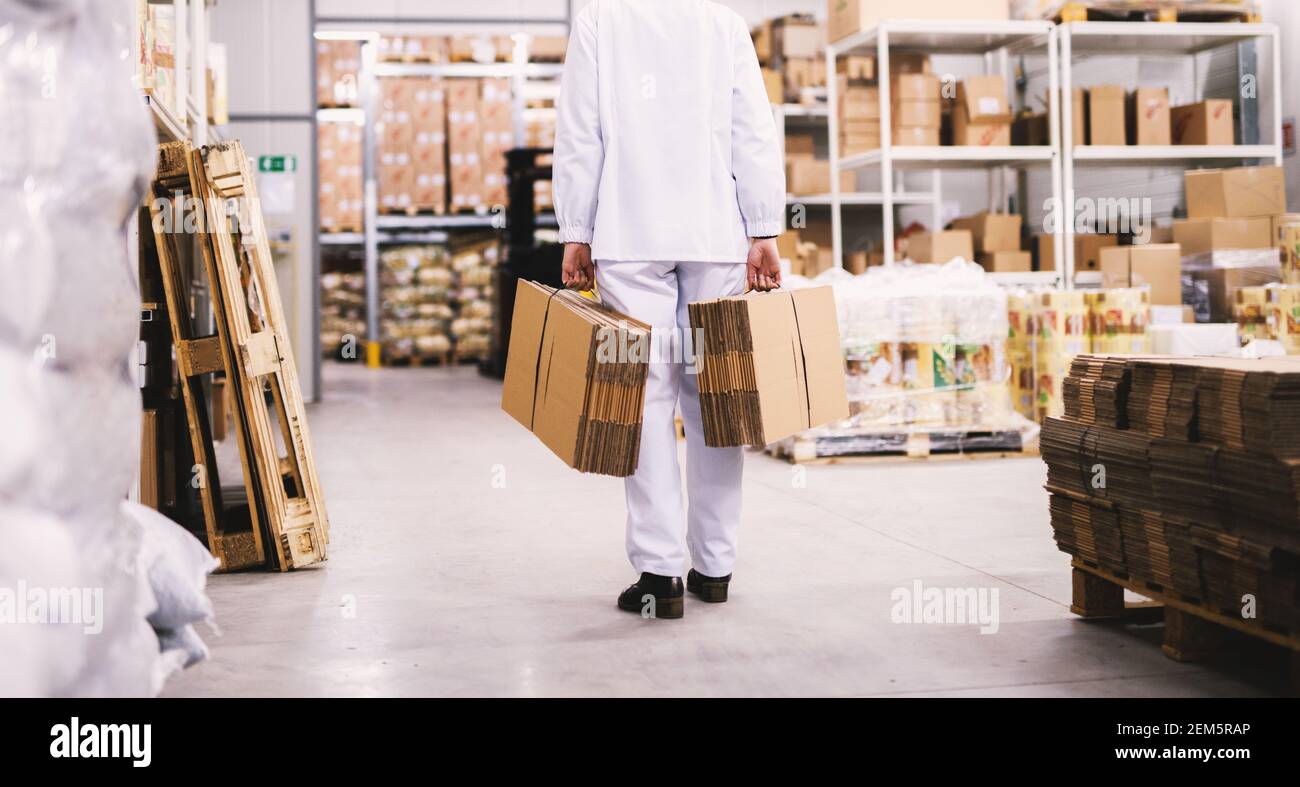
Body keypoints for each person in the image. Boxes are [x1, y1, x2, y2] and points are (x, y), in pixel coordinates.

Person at [553, 0, 785, 619]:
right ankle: (714, 567)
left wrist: (576, 228)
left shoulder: (600, 21)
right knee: (716, 394)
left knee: (647, 395)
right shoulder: (724, 23)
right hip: (715, 233)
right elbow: (753, 131)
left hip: (630, 233)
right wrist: (764, 226)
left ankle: (659, 575)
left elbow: (580, 132)